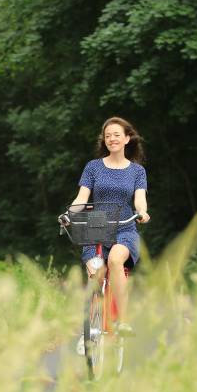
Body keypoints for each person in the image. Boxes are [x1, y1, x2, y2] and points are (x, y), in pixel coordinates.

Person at [67, 116, 149, 335]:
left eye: (116, 135)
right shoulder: (93, 167)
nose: (111, 139)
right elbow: (81, 198)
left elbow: (139, 199)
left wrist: (142, 212)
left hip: (125, 227)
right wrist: (69, 214)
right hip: (96, 226)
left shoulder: (137, 171)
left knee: (114, 260)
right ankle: (90, 328)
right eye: (107, 136)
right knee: (96, 272)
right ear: (104, 140)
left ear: (127, 138)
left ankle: (122, 320)